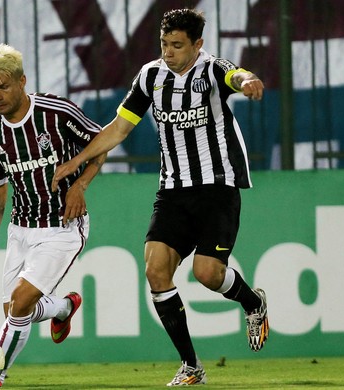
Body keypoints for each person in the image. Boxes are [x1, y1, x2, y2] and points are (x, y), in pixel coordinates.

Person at [52, 8, 269, 386]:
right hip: (172, 190)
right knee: (155, 270)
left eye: (177, 45)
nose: (168, 52)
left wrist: (248, 79)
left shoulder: (213, 69)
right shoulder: (151, 76)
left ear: (197, 44)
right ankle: (191, 366)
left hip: (217, 186)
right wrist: (77, 162)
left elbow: (237, 75)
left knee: (207, 273)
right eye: (164, 44)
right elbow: (119, 128)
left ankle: (253, 302)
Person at [0, 43, 106, 390]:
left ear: (22, 81)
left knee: (20, 303)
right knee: (16, 311)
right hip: (21, 227)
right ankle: (62, 308)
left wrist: (82, 185)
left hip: (63, 225)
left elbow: (101, 143)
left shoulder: (56, 113)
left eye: (3, 86)